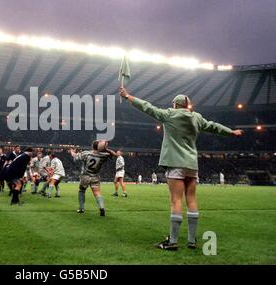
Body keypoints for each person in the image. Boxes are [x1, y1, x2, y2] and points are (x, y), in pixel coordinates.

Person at [119, 87, 243, 250]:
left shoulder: (169, 114)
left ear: (175, 105)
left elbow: (147, 107)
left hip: (175, 162)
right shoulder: (196, 117)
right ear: (188, 105)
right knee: (191, 200)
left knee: (176, 201)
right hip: (192, 164)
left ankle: (173, 242)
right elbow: (213, 126)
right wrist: (231, 132)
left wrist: (128, 96)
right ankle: (192, 240)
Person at [70, 141, 116, 216]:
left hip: (85, 176)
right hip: (95, 176)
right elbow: (114, 154)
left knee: (81, 190)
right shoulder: (103, 155)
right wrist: (106, 149)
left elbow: (75, 156)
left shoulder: (86, 153)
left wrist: (72, 152)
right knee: (97, 192)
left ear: (92, 146)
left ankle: (81, 208)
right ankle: (102, 208)